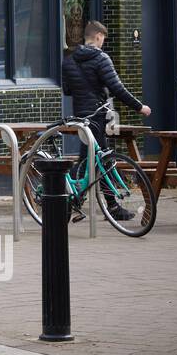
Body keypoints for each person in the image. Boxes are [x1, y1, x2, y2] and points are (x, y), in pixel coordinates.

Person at [61, 20, 152, 220]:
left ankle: (72, 198)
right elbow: (117, 88)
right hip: (97, 115)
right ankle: (110, 206)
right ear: (98, 36)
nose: (103, 42)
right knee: (102, 159)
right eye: (103, 39)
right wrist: (140, 107)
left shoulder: (68, 60)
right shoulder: (101, 58)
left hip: (81, 115)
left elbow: (67, 90)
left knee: (88, 159)